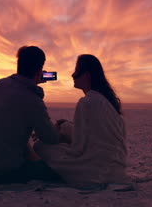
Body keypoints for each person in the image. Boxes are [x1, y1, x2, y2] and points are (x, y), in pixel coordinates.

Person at [34, 54, 130, 187]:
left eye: (77, 71)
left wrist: (62, 131)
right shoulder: (106, 101)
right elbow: (94, 135)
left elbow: (79, 145)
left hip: (96, 169)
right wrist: (65, 125)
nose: (73, 75)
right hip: (117, 166)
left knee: (41, 146)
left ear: (87, 75)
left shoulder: (87, 102)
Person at [0, 46, 61, 184]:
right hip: (1, 172)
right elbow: (50, 138)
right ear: (39, 70)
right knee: (54, 171)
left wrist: (34, 79)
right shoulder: (32, 99)